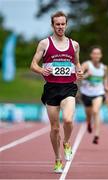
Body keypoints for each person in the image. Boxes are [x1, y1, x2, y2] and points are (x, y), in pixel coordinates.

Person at [30, 11, 83, 173]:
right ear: (52, 25)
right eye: (57, 24)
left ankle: (67, 142)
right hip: (51, 89)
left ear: (66, 25)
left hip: (68, 87)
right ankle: (58, 159)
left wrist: (79, 72)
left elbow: (77, 64)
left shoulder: (74, 45)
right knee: (54, 129)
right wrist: (41, 70)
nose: (60, 27)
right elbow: (33, 65)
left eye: (63, 24)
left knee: (67, 120)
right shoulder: (44, 44)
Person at [80, 46, 108, 144]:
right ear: (91, 55)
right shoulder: (86, 65)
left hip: (99, 93)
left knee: (96, 111)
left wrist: (106, 86)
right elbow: (77, 77)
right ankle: (88, 122)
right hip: (86, 93)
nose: (96, 55)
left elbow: (105, 78)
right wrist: (87, 75)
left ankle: (96, 135)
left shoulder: (104, 68)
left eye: (98, 53)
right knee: (89, 114)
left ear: (101, 55)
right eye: (94, 53)